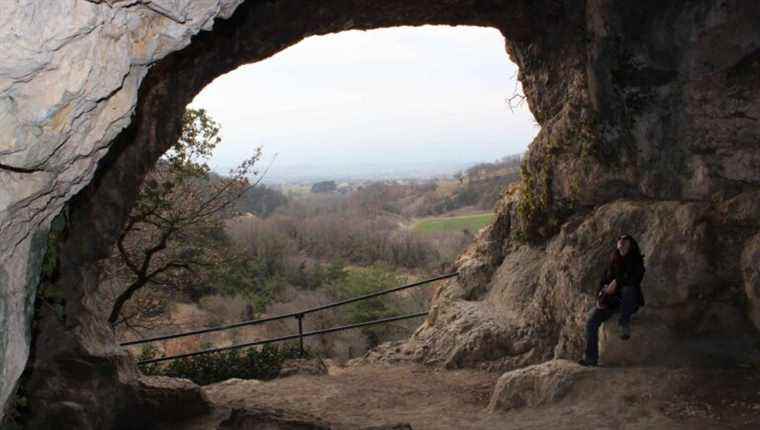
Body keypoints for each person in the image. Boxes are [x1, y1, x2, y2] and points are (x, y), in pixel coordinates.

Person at [578, 234, 646, 367]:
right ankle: (590, 358)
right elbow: (602, 282)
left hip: (628, 301)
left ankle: (623, 323)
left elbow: (634, 279)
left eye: (625, 240)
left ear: (631, 245)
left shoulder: (637, 262)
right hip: (611, 302)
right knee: (591, 322)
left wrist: (617, 282)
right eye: (619, 239)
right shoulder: (612, 263)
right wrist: (600, 296)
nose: (621, 241)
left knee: (628, 290)